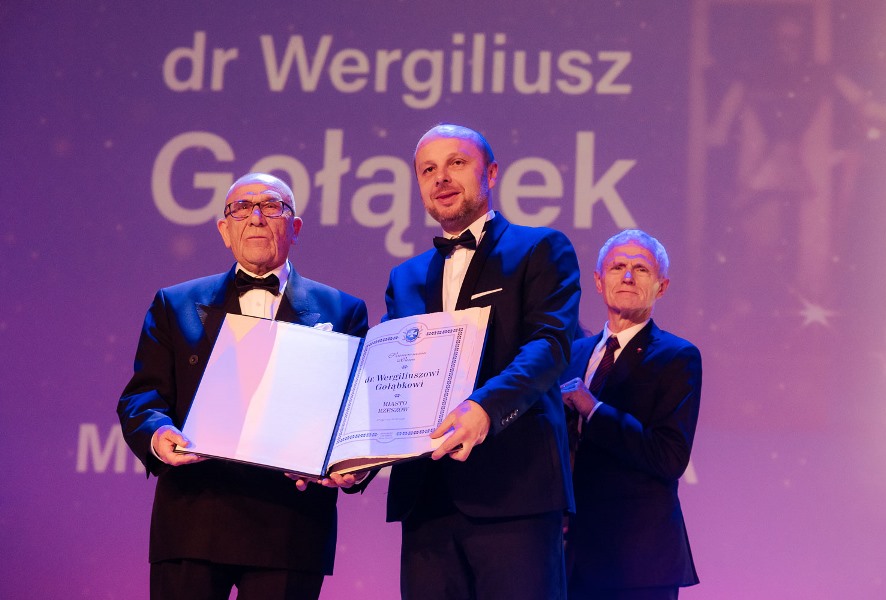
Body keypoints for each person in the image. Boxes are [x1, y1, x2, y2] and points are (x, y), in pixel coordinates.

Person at [117, 172, 369, 600]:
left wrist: (353, 464)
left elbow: (356, 414)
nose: (255, 217)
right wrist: (158, 436)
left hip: (291, 524)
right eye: (241, 208)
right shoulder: (175, 303)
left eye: (271, 206)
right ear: (224, 230)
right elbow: (142, 397)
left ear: (295, 227)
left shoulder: (343, 310)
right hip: (194, 517)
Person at [383, 123, 581, 600]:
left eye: (457, 163)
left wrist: (485, 409)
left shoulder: (540, 249)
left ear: (490, 173)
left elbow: (550, 346)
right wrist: (354, 461)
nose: (441, 178)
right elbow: (391, 378)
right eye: (427, 170)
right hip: (426, 500)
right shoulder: (405, 277)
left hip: (515, 494)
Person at [559, 229, 701, 600]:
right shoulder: (572, 355)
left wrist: (593, 409)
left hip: (638, 562)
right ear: (598, 281)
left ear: (661, 286)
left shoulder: (677, 357)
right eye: (617, 267)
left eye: (640, 269)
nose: (626, 276)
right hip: (568, 558)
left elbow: (669, 457)